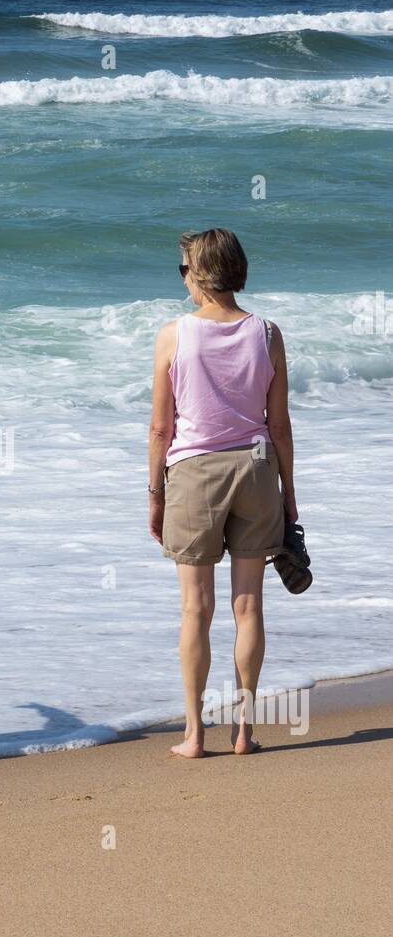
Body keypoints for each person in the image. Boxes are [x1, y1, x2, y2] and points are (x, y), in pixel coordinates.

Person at [148, 229, 297, 758]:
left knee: (196, 609)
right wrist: (289, 498)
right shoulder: (268, 333)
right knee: (249, 605)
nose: (183, 278)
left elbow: (161, 430)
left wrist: (155, 494)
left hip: (194, 473)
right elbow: (279, 426)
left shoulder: (174, 335)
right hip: (257, 470)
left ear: (201, 275)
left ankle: (194, 735)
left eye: (184, 269)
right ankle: (245, 732)